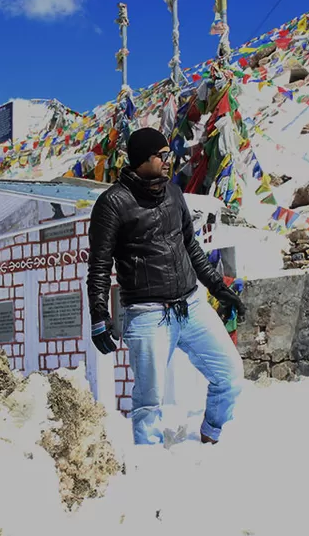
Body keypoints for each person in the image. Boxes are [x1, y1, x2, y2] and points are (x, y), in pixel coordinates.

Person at [86, 127, 247, 446]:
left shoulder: (173, 193)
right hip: (147, 317)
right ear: (142, 161)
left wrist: (218, 288)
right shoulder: (112, 204)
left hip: (192, 306)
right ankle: (148, 471)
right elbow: (100, 267)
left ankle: (211, 436)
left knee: (230, 375)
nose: (167, 161)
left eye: (167, 155)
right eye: (161, 156)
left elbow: (191, 246)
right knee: (149, 404)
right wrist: (98, 316)